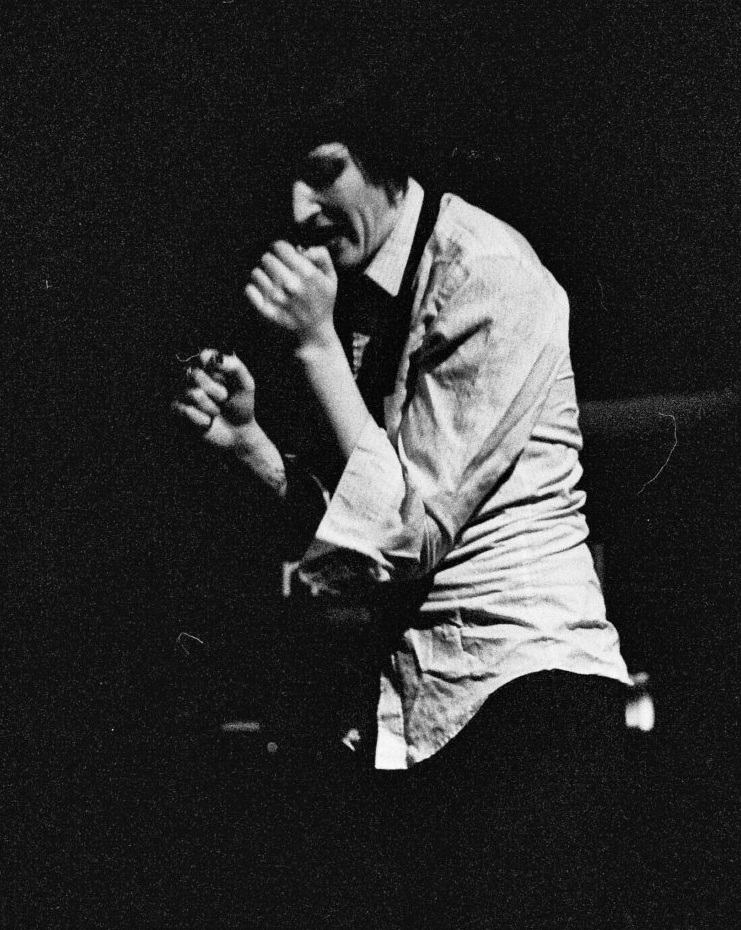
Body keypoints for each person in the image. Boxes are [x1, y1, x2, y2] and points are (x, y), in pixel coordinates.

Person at [172, 83, 633, 929]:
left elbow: (408, 532)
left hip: (526, 698)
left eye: (323, 173)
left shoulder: (487, 274)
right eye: (286, 180)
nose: (298, 209)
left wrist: (315, 345)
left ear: (385, 160)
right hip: (420, 711)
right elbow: (360, 533)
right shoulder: (365, 293)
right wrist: (250, 445)